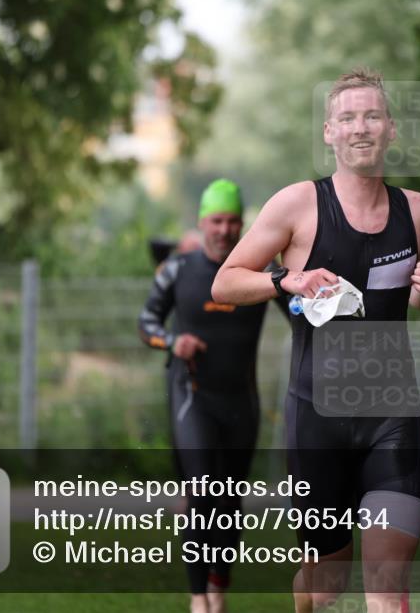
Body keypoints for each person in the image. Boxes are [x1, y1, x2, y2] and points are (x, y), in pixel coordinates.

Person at [211, 68, 420, 613]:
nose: (360, 127)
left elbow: (418, 298)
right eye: (347, 118)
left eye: (371, 116)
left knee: (388, 588)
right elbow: (226, 280)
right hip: (317, 416)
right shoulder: (297, 206)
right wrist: (284, 278)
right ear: (329, 133)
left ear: (390, 129)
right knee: (326, 585)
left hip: (395, 414)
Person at [138, 179, 284, 613]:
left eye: (233, 221)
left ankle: (219, 587)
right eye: (216, 220)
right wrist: (171, 342)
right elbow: (146, 323)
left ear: (242, 225)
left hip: (241, 400)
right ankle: (198, 595)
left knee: (229, 499)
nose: (224, 229)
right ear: (202, 222)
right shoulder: (178, 269)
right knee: (201, 491)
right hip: (193, 395)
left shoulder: (261, 272)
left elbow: (301, 314)